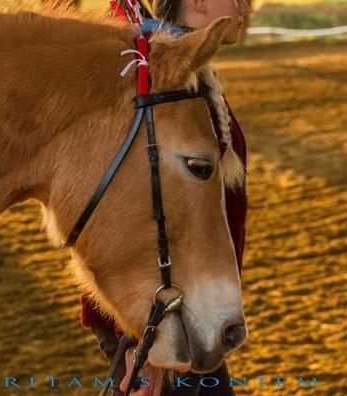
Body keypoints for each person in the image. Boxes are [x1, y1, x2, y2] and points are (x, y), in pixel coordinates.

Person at [80, 0, 251, 394]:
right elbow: (135, 203)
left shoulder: (184, 72)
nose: (246, 5)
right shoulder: (159, 81)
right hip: (157, 319)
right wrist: (146, 341)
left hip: (189, 312)